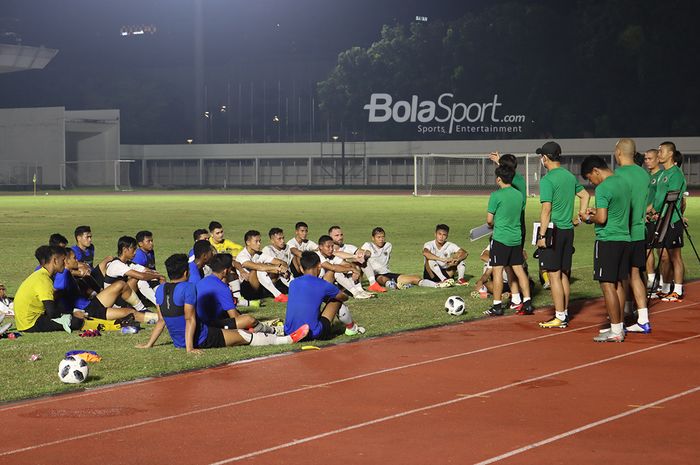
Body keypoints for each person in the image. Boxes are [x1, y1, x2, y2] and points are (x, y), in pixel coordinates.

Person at [137, 254, 308, 353]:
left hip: (179, 341)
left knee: (240, 331)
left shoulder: (160, 289)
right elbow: (190, 320)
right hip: (201, 337)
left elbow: (161, 321)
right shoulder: (188, 287)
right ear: (185, 272)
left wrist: (149, 344)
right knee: (243, 337)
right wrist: (190, 348)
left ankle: (275, 332)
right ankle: (286, 340)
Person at [534, 141, 590, 328]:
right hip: (568, 230)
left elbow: (546, 210)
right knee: (564, 273)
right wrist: (580, 218)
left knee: (553, 275)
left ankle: (559, 316)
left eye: (542, 156)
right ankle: (564, 313)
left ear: (546, 158)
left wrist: (541, 236)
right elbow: (585, 196)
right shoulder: (568, 176)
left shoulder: (548, 180)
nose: (541, 159)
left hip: (554, 230)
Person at [580, 155, 631, 342]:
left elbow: (602, 219)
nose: (591, 183)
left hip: (608, 239)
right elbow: (615, 209)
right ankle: (618, 326)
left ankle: (616, 330)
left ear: (596, 171)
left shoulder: (603, 188)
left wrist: (587, 218)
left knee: (607, 285)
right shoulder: (623, 182)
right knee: (618, 283)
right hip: (625, 238)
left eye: (589, 178)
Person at [60, 247, 158, 324]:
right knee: (130, 313)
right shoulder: (63, 275)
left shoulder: (67, 273)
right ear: (66, 261)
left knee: (120, 284)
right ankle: (159, 319)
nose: (77, 260)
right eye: (74, 258)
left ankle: (142, 309)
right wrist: (72, 312)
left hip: (92, 304)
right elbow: (57, 297)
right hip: (89, 311)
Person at [483, 166, 533, 316]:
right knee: (519, 270)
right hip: (516, 238)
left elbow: (489, 221)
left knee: (498, 271)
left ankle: (497, 306)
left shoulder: (496, 196)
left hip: (501, 239)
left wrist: (493, 223)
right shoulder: (519, 195)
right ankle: (528, 302)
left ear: (498, 179)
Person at [614, 139, 651, 333]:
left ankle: (618, 318)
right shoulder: (643, 174)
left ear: (618, 152)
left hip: (623, 232)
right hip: (639, 230)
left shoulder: (618, 174)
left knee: (620, 277)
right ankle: (642, 317)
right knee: (635, 274)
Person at [284, 251, 365, 340]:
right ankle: (352, 328)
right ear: (319, 266)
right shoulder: (323, 285)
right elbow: (344, 297)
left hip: (289, 333)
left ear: (301, 269)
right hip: (312, 334)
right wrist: (334, 293)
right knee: (336, 300)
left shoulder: (293, 283)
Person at [195, 253, 276, 333]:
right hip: (210, 326)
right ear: (226, 271)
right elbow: (235, 317)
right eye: (231, 270)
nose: (232, 272)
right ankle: (271, 330)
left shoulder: (202, 282)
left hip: (198, 322)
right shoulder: (222, 288)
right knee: (248, 320)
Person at [13, 246, 84, 332]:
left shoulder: (39, 274)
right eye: (63, 260)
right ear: (55, 261)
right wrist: (72, 314)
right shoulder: (44, 280)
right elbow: (52, 313)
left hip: (24, 322)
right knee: (77, 322)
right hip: (31, 323)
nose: (65, 263)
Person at [649, 141, 687, 302]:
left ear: (670, 153)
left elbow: (673, 200)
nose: (659, 154)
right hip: (662, 219)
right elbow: (658, 200)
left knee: (675, 255)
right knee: (664, 256)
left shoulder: (676, 174)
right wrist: (650, 211)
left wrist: (662, 214)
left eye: (661, 151)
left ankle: (677, 290)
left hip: (672, 220)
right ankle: (665, 288)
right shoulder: (663, 174)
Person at [360, 227, 433, 289]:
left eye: (383, 237)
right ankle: (394, 285)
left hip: (387, 273)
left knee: (416, 278)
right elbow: (360, 261)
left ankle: (436, 285)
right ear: (373, 238)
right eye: (378, 237)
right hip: (376, 275)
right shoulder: (368, 245)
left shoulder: (388, 246)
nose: (381, 239)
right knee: (382, 279)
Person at [104, 236, 165, 310]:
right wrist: (156, 276)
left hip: (121, 297)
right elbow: (142, 276)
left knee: (148, 276)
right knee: (138, 279)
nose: (135, 252)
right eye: (134, 249)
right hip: (114, 303)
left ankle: (161, 301)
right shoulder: (117, 264)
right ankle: (157, 304)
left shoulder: (129, 263)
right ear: (125, 249)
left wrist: (158, 275)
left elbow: (146, 270)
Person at [236, 230, 290, 303]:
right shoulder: (242, 256)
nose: (259, 244)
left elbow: (280, 262)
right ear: (248, 242)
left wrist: (282, 267)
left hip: (259, 288)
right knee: (258, 268)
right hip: (247, 290)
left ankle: (294, 288)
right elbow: (257, 267)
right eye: (256, 241)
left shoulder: (259, 254)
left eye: (260, 241)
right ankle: (278, 295)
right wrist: (276, 268)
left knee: (270, 266)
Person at [328, 225, 380, 292]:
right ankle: (356, 290)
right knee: (349, 266)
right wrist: (354, 258)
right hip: (336, 278)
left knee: (363, 261)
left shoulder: (349, 247)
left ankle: (373, 284)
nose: (340, 237)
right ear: (330, 237)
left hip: (351, 275)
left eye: (341, 235)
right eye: (337, 235)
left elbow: (365, 252)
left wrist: (365, 254)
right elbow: (339, 255)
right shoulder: (328, 250)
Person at [644, 149, 664, 289]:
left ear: (658, 159)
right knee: (647, 249)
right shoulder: (645, 176)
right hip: (646, 218)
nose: (647, 161)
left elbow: (659, 198)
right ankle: (651, 280)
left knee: (661, 252)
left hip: (657, 218)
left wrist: (648, 210)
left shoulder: (662, 176)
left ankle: (663, 280)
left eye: (650, 159)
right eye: (646, 159)